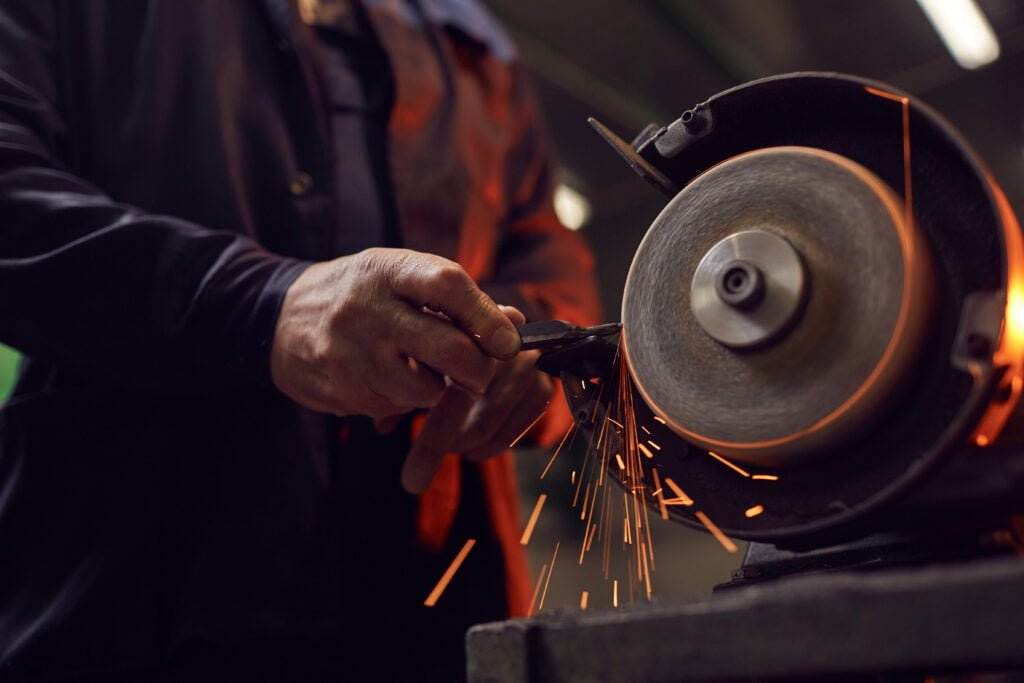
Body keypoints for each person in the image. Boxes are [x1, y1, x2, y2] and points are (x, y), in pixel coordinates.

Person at [0, 0, 599, 680]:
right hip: (129, 598)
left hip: (430, 610)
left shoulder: (473, 45)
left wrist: (524, 350)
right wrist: (260, 306)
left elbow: (554, 269)